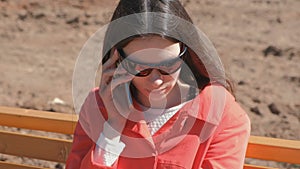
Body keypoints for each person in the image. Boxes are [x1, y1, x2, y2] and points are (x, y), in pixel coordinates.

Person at [66, 0, 250, 168]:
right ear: (117, 59)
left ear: (185, 52)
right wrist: (113, 127)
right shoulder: (98, 106)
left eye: (168, 65)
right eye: (139, 67)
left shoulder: (220, 113)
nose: (156, 81)